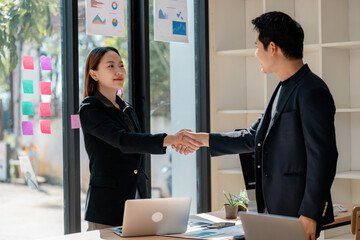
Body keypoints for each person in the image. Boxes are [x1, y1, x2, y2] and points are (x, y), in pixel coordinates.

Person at [176, 11, 338, 240]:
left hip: (299, 215)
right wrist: (202, 139)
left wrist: (310, 213)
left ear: (272, 48)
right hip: (276, 212)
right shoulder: (282, 88)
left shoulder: (312, 91)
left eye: (257, 46)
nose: (256, 54)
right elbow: (253, 137)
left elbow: (324, 157)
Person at [79, 47, 199, 230]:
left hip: (137, 198)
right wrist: (170, 139)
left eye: (121, 65)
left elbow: (138, 143)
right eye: (110, 66)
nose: (119, 71)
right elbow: (124, 141)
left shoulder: (127, 108)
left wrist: (175, 141)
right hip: (107, 205)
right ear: (94, 74)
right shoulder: (90, 109)